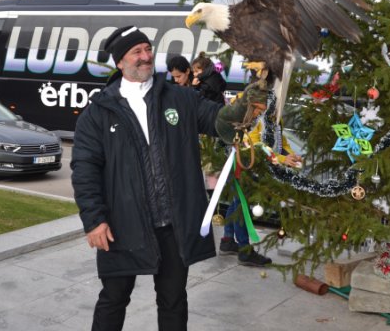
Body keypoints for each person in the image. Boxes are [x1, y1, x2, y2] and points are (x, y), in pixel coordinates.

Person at [71, 25, 253, 331]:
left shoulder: (180, 98)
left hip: (172, 226)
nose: (145, 57)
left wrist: (251, 102)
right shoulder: (99, 113)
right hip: (121, 224)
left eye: (147, 49)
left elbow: (220, 120)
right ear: (120, 62)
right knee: (114, 299)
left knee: (173, 300)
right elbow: (85, 169)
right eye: (136, 52)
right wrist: (94, 220)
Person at [219, 95, 300, 267]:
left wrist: (289, 154)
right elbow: (256, 147)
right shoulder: (250, 119)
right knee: (241, 205)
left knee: (237, 203)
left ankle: (227, 240)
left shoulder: (272, 117)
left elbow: (281, 140)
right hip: (244, 164)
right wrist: (280, 158)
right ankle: (244, 250)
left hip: (258, 166)